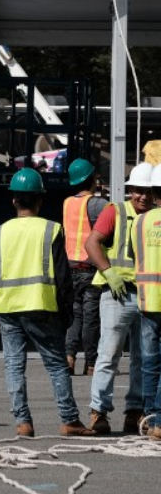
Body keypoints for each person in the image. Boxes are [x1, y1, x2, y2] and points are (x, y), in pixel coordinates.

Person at [0, 169, 95, 437]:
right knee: (56, 365)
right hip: (42, 306)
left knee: (14, 366)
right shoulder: (50, 230)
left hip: (8, 308)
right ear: (40, 201)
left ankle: (23, 422)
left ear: (14, 200)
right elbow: (63, 276)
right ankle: (69, 420)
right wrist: (67, 311)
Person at [83, 162, 153, 435]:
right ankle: (99, 411)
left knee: (142, 358)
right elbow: (92, 242)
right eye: (138, 191)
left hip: (148, 296)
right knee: (109, 354)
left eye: (148, 191)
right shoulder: (116, 211)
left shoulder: (156, 216)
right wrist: (108, 272)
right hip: (118, 294)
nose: (143, 196)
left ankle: (134, 412)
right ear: (130, 190)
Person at [63, 158, 107, 376]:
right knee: (91, 317)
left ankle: (69, 357)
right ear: (92, 179)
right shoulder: (99, 204)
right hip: (90, 270)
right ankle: (91, 364)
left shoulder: (67, 203)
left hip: (70, 268)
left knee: (75, 315)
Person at [128, 166, 161, 441]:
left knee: (149, 364)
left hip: (147, 300)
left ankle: (149, 419)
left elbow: (134, 255)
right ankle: (159, 422)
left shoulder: (139, 222)